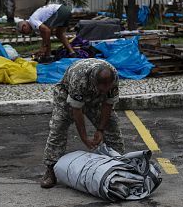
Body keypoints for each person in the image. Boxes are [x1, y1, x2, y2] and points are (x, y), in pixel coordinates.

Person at [41, 58, 125, 189]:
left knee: (112, 127)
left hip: (96, 99)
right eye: (102, 88)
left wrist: (101, 130)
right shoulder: (79, 78)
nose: (105, 90)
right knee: (58, 129)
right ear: (94, 82)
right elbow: (77, 110)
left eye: (107, 87)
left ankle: (119, 166)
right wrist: (84, 138)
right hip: (67, 96)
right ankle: (51, 169)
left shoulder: (113, 77)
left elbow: (108, 104)